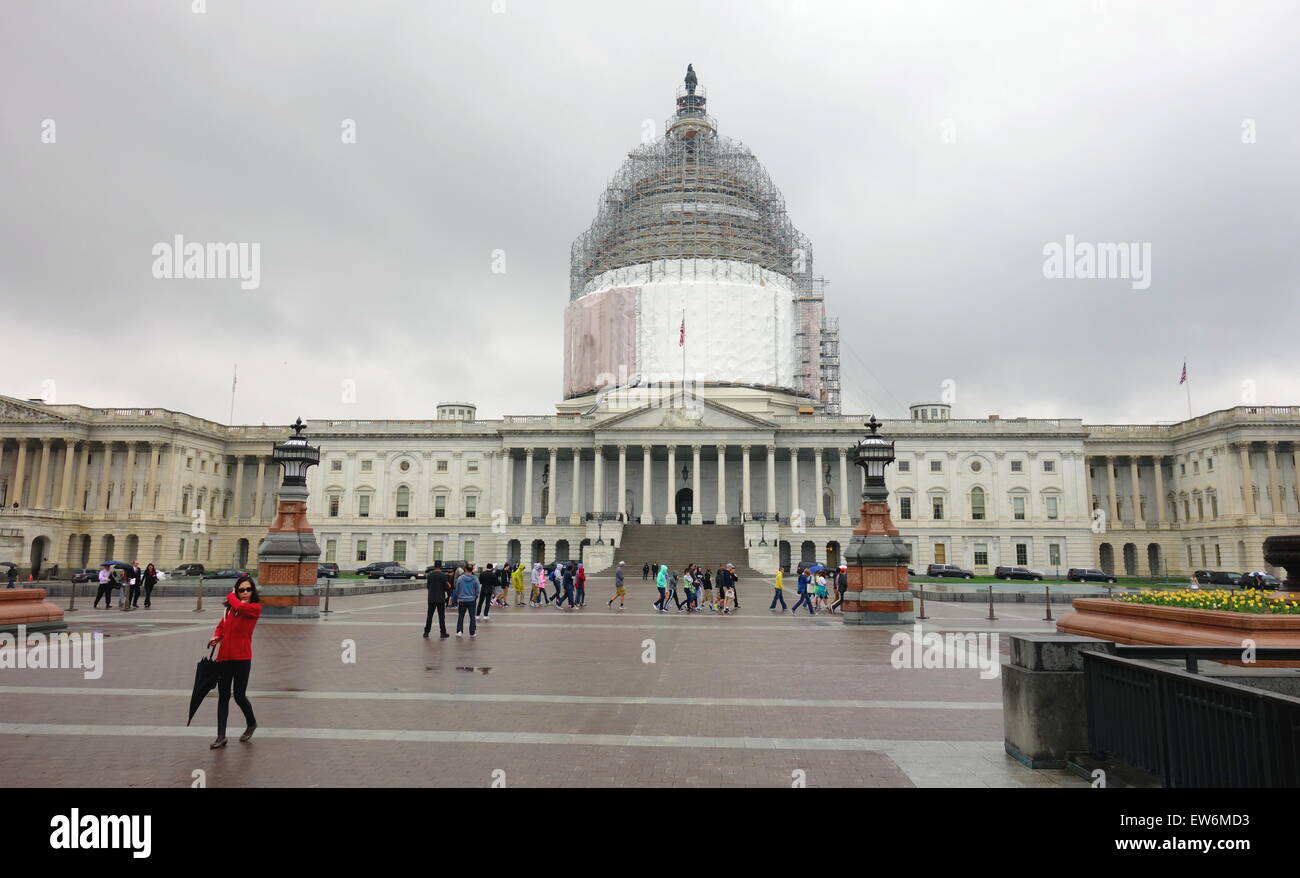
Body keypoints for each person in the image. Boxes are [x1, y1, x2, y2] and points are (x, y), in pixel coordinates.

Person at [206, 575, 262, 749]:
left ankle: (251, 722)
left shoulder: (254, 608)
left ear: (253, 592)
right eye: (241, 590)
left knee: (239, 695)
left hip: (242, 658)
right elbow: (222, 625)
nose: (245, 593)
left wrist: (231, 596)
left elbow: (238, 605)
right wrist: (216, 636)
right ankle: (221, 736)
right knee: (223, 697)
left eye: (248, 589)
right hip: (224, 658)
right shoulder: (229, 611)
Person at [424, 562, 450, 638]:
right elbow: (446, 587)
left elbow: (428, 586)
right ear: (440, 566)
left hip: (431, 598)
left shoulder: (430, 575)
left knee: (429, 616)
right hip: (440, 598)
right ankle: (443, 632)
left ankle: (426, 632)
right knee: (441, 616)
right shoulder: (443, 575)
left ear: (434, 566)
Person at [454, 564, 480, 637]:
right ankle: (472, 632)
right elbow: (478, 590)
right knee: (472, 617)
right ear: (472, 570)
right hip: (472, 599)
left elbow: (457, 589)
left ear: (465, 569)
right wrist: (475, 596)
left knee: (461, 616)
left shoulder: (460, 578)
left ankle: (459, 631)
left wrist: (458, 597)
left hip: (462, 600)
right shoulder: (475, 578)